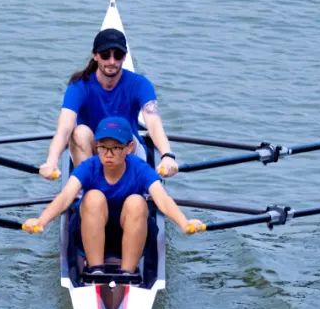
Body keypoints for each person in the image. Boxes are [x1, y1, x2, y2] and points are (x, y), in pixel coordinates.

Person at [23, 116, 204, 274]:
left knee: (136, 202)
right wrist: (41, 221)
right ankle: (95, 270)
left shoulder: (140, 168)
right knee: (93, 197)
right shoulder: (90, 167)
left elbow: (162, 200)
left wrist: (184, 222)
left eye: (116, 148)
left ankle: (128, 272)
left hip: (130, 231)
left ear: (129, 148)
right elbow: (65, 197)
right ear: (97, 146)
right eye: (103, 147)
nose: (108, 155)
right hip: (89, 231)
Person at [38, 27, 179, 180]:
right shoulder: (79, 86)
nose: (112, 62)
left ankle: (119, 183)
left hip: (128, 149)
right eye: (105, 55)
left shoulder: (140, 84)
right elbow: (64, 127)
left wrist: (167, 155)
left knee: (119, 134)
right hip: (93, 150)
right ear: (95, 55)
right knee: (79, 132)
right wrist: (51, 161)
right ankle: (90, 188)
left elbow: (153, 123)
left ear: (125, 57)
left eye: (117, 55)